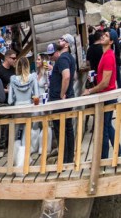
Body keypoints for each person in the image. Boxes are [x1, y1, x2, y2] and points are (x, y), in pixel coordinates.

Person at [83, 29, 117, 160]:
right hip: (106, 95)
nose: (103, 36)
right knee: (107, 126)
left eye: (107, 35)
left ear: (112, 41)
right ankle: (117, 153)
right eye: (103, 34)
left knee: (104, 128)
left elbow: (105, 83)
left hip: (107, 95)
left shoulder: (108, 56)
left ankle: (103, 159)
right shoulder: (105, 54)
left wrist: (90, 91)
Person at [49, 34, 77, 163]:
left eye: (62, 40)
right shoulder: (69, 57)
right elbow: (71, 76)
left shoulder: (63, 58)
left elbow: (66, 76)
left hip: (60, 101)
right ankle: (68, 158)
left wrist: (61, 94)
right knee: (68, 128)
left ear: (67, 44)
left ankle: (64, 160)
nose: (59, 41)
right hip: (67, 98)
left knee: (61, 130)